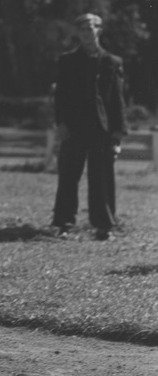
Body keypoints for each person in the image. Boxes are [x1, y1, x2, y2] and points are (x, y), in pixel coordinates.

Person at [50, 13, 127, 241]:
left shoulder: (113, 62)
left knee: (102, 178)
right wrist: (61, 124)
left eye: (91, 28)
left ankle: (103, 226)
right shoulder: (67, 61)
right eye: (82, 29)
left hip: (102, 128)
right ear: (78, 33)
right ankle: (64, 224)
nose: (87, 32)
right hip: (75, 127)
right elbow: (60, 96)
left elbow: (117, 99)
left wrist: (118, 133)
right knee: (68, 176)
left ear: (99, 31)